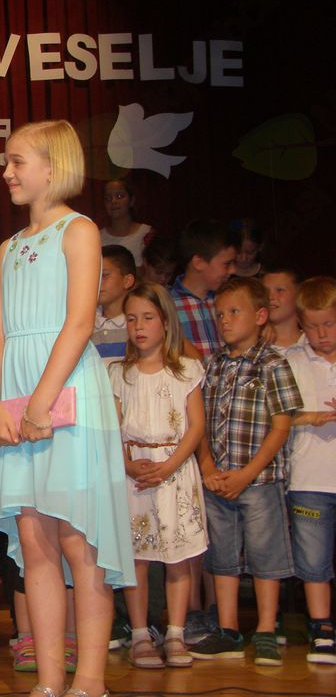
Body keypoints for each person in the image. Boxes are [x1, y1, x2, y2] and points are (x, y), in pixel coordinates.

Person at [0, 119, 135, 697]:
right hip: (20, 397)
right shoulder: (10, 247)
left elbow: (78, 323)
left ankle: (89, 681)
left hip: (66, 391)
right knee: (35, 540)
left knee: (79, 538)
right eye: (7, 161)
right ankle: (49, 681)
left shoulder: (80, 230)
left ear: (53, 167)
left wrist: (40, 404)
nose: (7, 172)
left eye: (17, 161)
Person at [191, 277, 301, 666]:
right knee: (222, 557)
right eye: (220, 314)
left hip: (259, 481)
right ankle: (228, 629)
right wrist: (207, 465)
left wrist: (248, 473)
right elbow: (200, 421)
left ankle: (267, 629)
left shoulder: (272, 364)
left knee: (265, 555)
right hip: (219, 479)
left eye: (234, 312)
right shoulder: (214, 364)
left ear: (260, 316)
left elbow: (281, 426)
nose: (225, 320)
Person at [110, 283, 208, 669]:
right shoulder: (119, 373)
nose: (138, 326)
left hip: (175, 470)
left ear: (165, 322)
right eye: (132, 319)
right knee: (137, 557)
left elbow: (196, 427)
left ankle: (176, 633)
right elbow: (112, 427)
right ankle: (139, 634)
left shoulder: (186, 370)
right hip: (135, 472)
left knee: (176, 557)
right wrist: (126, 464)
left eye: (148, 318)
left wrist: (169, 465)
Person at [278, 276, 336, 665]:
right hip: (309, 478)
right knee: (313, 559)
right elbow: (278, 416)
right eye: (312, 326)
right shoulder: (292, 361)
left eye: (329, 324)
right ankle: (321, 627)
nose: (321, 334)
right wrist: (310, 416)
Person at [170, 220, 238, 360]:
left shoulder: (231, 299)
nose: (233, 270)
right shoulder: (166, 304)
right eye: (226, 264)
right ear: (199, 262)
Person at [92, 245, 137, 365]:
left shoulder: (137, 323)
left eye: (104, 275)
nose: (97, 282)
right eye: (93, 276)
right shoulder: (88, 322)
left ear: (127, 281)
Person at [99, 179, 153, 267]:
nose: (113, 201)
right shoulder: (98, 237)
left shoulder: (146, 233)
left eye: (119, 196)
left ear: (131, 200)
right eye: (108, 198)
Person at [263, 267, 304, 354]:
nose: (270, 297)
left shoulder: (314, 343)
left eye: (280, 290)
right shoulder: (253, 345)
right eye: (265, 291)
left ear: (298, 294)